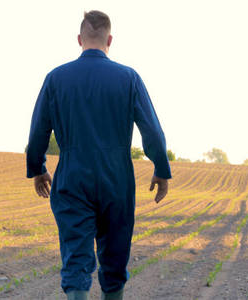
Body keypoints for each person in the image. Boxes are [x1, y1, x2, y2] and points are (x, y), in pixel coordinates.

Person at [26, 10, 172, 300]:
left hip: (72, 177)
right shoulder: (129, 78)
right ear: (110, 40)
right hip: (116, 179)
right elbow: (153, 132)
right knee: (114, 257)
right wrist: (161, 167)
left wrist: (38, 168)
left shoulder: (56, 78)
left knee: (76, 256)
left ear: (79, 39)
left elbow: (38, 132)